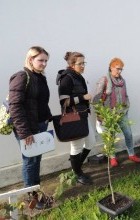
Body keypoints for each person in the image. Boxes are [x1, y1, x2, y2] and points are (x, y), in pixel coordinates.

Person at [9, 46, 52, 208]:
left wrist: (48, 117)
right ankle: (31, 198)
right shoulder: (22, 76)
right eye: (40, 60)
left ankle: (36, 191)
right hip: (27, 128)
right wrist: (24, 132)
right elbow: (15, 106)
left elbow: (40, 102)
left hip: (40, 125)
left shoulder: (40, 77)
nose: (44, 64)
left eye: (46, 61)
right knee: (29, 161)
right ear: (30, 59)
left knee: (36, 159)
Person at [93, 57, 140, 167]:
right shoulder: (104, 80)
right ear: (111, 67)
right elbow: (96, 99)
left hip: (122, 113)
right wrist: (100, 114)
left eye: (121, 69)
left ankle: (131, 154)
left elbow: (125, 94)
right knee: (111, 137)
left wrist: (127, 106)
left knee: (128, 134)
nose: (119, 71)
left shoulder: (122, 81)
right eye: (117, 68)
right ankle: (113, 157)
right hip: (109, 115)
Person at [56, 51, 94, 185]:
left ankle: (76, 165)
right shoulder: (67, 78)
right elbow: (64, 102)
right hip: (74, 118)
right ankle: (77, 173)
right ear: (72, 65)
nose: (83, 66)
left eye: (84, 63)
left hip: (83, 114)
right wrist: (83, 97)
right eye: (80, 63)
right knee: (76, 147)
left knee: (91, 142)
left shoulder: (78, 76)